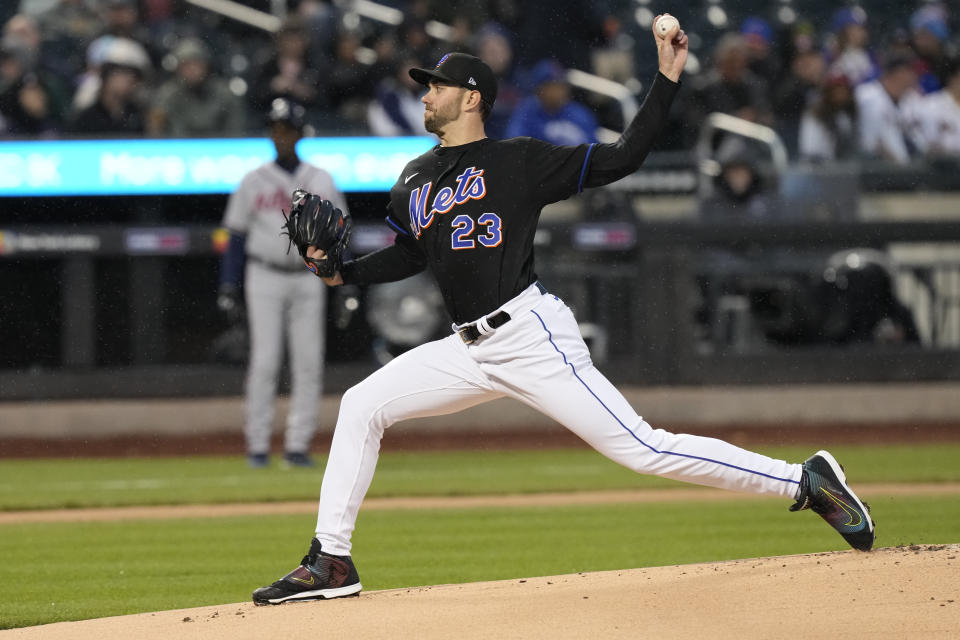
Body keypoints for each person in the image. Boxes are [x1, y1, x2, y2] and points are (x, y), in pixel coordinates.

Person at [252, 19, 875, 606]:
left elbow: (625, 155)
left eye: (436, 85)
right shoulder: (414, 178)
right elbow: (408, 254)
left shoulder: (521, 159)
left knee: (642, 448)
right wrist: (340, 271)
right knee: (362, 405)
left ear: (472, 97)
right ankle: (332, 560)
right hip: (466, 350)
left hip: (529, 334)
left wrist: (667, 77)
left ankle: (805, 480)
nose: (426, 93)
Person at [218, 98, 348, 468]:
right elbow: (236, 237)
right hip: (265, 274)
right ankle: (257, 445)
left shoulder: (320, 179)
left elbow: (337, 235)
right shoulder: (253, 180)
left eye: (288, 129)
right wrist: (229, 283)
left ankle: (297, 445)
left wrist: (346, 282)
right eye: (276, 129)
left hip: (310, 276)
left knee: (308, 363)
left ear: (300, 134)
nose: (282, 136)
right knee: (265, 361)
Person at [504, 58, 597, 146]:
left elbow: (593, 152)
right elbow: (514, 145)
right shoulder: (527, 111)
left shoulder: (580, 114)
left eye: (561, 86)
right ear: (540, 90)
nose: (559, 92)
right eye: (553, 86)